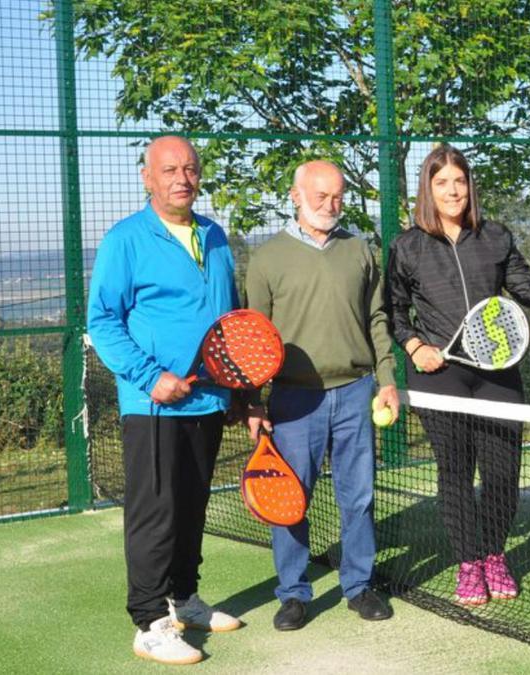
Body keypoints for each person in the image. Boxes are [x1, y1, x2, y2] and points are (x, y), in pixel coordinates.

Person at [387, 145, 530, 606]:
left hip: (497, 370)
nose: (452, 191)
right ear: (427, 188)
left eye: (459, 181)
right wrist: (415, 347)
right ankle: (469, 563)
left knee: (504, 473)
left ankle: (494, 555)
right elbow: (393, 310)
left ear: (470, 186)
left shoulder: (495, 236)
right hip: (439, 374)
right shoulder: (407, 246)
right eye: (441, 182)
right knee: (455, 472)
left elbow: (528, 288)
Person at [88, 136, 242, 665]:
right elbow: (102, 321)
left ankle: (185, 599)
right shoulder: (125, 240)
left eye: (191, 169)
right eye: (169, 169)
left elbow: (230, 322)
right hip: (152, 405)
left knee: (193, 505)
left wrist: (240, 393)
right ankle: (150, 622)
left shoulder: (215, 236)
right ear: (147, 178)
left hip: (208, 402)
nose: (182, 178)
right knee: (155, 513)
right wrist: (151, 377)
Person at [243, 160, 398, 630]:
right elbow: (253, 340)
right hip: (293, 401)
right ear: (295, 196)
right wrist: (253, 401)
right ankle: (292, 594)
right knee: (290, 499)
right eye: (320, 196)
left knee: (360, 496)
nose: (331, 205)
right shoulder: (266, 259)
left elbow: (378, 320)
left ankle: (359, 585)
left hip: (356, 392)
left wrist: (387, 377)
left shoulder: (361, 250)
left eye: (338, 196)